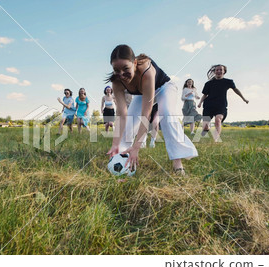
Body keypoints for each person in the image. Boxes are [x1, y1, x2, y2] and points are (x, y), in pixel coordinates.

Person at [106, 44, 197, 175]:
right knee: (129, 122)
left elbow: (146, 113)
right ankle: (123, 158)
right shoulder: (116, 82)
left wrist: (137, 146)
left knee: (167, 114)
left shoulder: (146, 71)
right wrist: (115, 143)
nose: (121, 75)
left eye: (126, 68)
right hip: (142, 93)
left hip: (164, 87)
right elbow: (121, 114)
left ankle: (177, 161)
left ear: (135, 63)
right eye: (116, 70)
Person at [197, 64, 249, 140]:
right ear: (214, 72)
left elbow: (236, 90)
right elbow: (205, 95)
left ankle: (216, 139)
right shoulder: (208, 84)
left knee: (218, 120)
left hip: (220, 105)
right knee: (205, 126)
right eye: (217, 70)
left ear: (224, 71)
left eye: (221, 70)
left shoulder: (228, 82)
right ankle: (206, 128)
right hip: (208, 105)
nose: (219, 71)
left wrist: (243, 99)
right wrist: (200, 103)